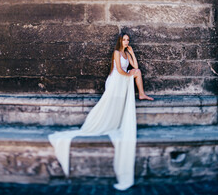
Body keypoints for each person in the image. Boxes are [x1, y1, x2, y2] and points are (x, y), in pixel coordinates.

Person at [49, 33, 153, 191]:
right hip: (116, 80)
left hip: (123, 79)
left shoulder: (125, 52)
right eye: (124, 40)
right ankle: (114, 114)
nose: (126, 42)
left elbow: (134, 65)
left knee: (137, 71)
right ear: (120, 41)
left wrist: (132, 53)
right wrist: (128, 76)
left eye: (128, 40)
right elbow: (119, 69)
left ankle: (141, 93)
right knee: (114, 99)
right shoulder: (117, 53)